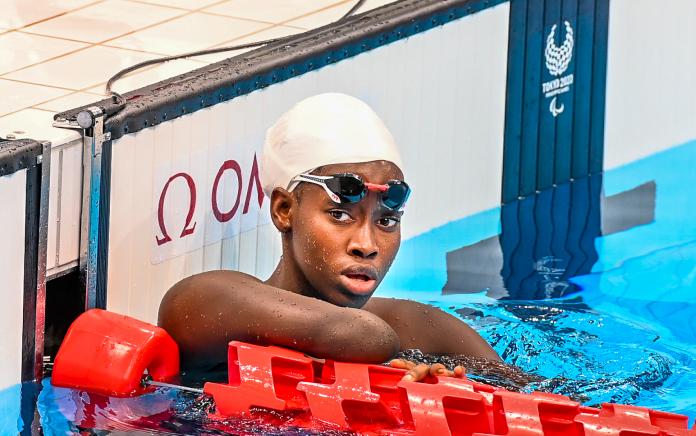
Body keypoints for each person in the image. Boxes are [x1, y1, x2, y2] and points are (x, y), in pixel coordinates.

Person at [158, 93, 500, 382]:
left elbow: (539, 397)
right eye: (339, 215)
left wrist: (459, 392)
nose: (366, 245)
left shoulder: (429, 330)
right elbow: (365, 336)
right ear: (284, 210)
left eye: (387, 221)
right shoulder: (205, 301)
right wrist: (390, 376)